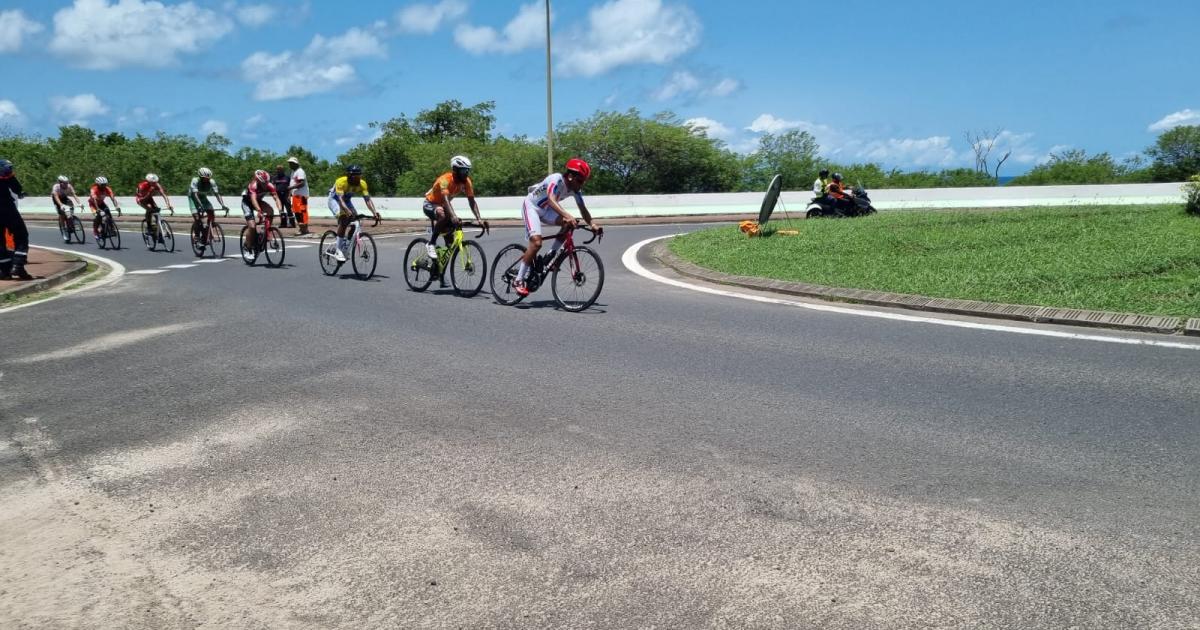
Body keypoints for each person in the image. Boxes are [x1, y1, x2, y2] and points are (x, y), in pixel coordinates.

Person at [512, 158, 601, 297]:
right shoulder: (556, 179)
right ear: (570, 176)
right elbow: (551, 199)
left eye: (584, 181)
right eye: (580, 180)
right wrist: (567, 214)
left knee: (569, 224)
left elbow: (583, 209)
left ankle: (551, 255)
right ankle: (518, 280)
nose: (582, 184)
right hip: (532, 207)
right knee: (536, 243)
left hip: (547, 210)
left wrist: (593, 224)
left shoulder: (575, 189)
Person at [423, 155, 485, 259]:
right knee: (442, 214)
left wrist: (479, 219)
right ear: (455, 170)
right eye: (464, 171)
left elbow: (472, 201)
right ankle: (431, 243)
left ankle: (438, 269)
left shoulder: (466, 182)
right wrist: (453, 216)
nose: (466, 174)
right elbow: (446, 200)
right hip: (430, 204)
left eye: (467, 171)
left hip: (444, 206)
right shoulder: (445, 180)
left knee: (450, 244)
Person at [325, 165, 380, 263]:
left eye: (359, 176)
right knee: (344, 218)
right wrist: (347, 212)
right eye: (355, 177)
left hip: (347, 201)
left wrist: (374, 213)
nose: (358, 179)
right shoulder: (341, 181)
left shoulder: (362, 184)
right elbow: (340, 200)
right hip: (335, 200)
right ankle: (338, 250)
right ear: (349, 176)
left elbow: (367, 200)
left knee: (356, 222)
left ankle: (345, 245)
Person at [0, 159, 32, 280]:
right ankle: (18, 265)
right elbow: (16, 188)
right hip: (7, 209)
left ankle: (5, 270)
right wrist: (20, 192)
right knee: (22, 235)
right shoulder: (6, 172)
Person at [241, 169, 282, 257]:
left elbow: (276, 198)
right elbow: (253, 200)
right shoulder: (253, 185)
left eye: (266, 182)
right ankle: (247, 247)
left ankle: (266, 231)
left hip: (258, 202)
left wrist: (281, 210)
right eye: (263, 183)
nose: (265, 185)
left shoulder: (269, 185)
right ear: (258, 181)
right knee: (252, 226)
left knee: (270, 211)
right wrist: (259, 211)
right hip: (247, 203)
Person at [189, 167, 227, 241]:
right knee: (197, 218)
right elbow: (195, 195)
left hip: (203, 198)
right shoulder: (195, 180)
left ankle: (207, 229)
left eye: (208, 178)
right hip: (193, 198)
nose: (207, 179)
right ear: (200, 177)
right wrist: (201, 206)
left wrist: (223, 205)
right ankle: (196, 236)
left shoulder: (212, 182)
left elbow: (217, 194)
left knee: (211, 213)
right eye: (205, 178)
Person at [135, 173, 174, 242]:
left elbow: (164, 195)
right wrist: (149, 195)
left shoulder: (156, 185)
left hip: (149, 198)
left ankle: (158, 232)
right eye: (153, 183)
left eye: (155, 182)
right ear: (148, 182)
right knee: (150, 209)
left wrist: (168, 204)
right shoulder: (142, 186)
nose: (155, 183)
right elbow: (143, 199)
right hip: (141, 199)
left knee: (156, 211)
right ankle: (149, 226)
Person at [51, 175, 83, 242]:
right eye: (64, 183)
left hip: (64, 198)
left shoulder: (69, 186)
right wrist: (61, 205)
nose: (66, 184)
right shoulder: (56, 187)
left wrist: (79, 203)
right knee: (62, 213)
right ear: (60, 183)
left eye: (67, 182)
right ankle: (63, 229)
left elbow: (74, 195)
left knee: (70, 208)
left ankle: (71, 220)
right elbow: (56, 197)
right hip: (57, 199)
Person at [286, 157, 310, 235]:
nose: (290, 165)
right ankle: (301, 228)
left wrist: (291, 188)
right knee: (297, 212)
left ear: (295, 164)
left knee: (302, 212)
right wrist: (290, 194)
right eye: (289, 163)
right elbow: (292, 183)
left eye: (291, 163)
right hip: (296, 196)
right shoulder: (293, 172)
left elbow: (302, 183)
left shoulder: (300, 171)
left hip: (302, 195)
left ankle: (305, 229)